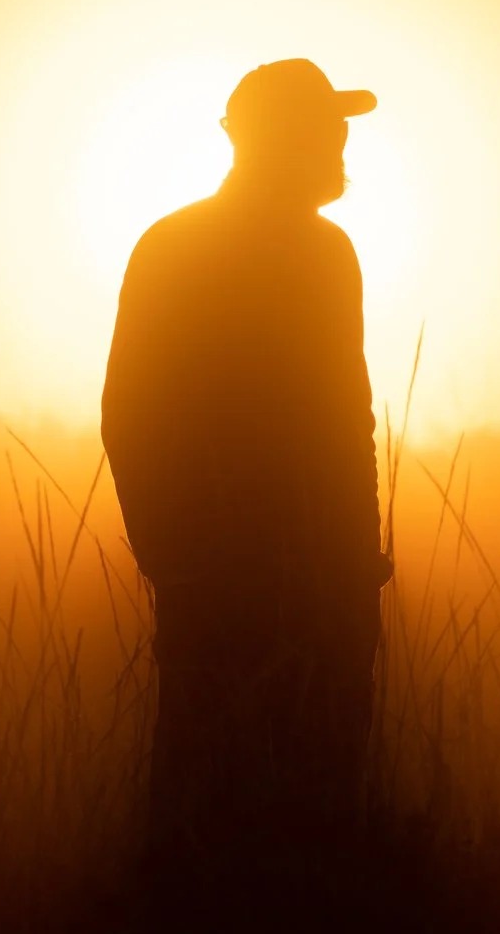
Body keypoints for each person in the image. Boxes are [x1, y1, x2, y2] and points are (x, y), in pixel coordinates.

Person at [101, 58, 391, 858]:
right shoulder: (177, 249)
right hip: (225, 587)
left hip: (324, 589)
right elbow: (131, 415)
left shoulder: (329, 254)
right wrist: (181, 563)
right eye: (325, 127)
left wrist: (359, 570)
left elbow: (349, 421)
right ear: (276, 137)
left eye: (339, 127)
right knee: (209, 801)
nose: (339, 143)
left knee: (318, 808)